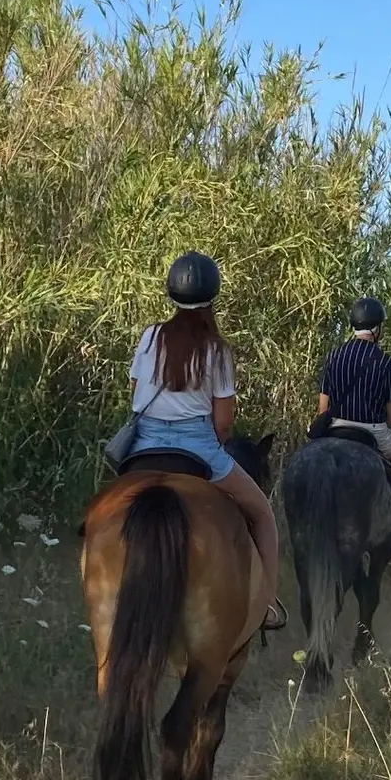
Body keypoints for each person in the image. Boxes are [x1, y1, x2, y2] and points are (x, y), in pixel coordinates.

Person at [129, 251, 287, 630]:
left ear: (170, 294)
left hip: (142, 446)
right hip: (196, 446)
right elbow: (224, 425)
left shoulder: (150, 336)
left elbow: (134, 392)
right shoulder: (217, 350)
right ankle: (265, 605)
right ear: (212, 297)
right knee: (262, 514)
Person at [316, 296, 391, 557]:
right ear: (377, 328)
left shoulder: (333, 357)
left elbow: (322, 408)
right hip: (372, 429)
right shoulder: (386, 364)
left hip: (334, 427)